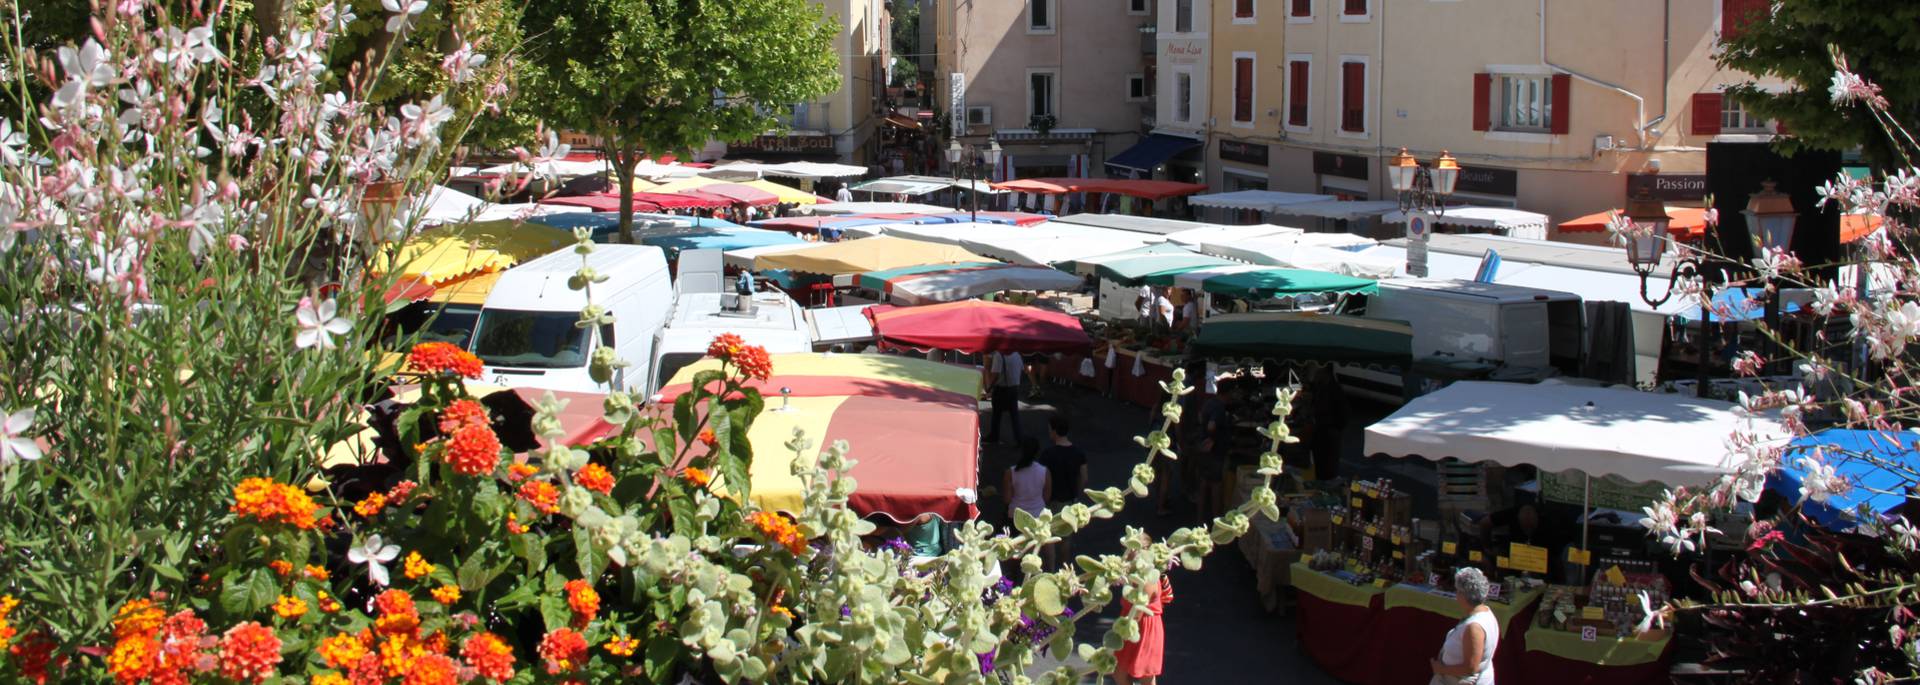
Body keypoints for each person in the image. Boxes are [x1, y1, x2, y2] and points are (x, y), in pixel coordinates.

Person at [1431, 567, 1500, 685]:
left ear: (1463, 595)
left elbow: (1470, 668)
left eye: (1457, 590)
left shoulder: (1474, 627)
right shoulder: (1486, 612)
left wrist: (1440, 669)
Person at [1038, 414, 1088, 569]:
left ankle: (1051, 569)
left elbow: (1043, 479)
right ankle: (1065, 568)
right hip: (1069, 500)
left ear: (1054, 431)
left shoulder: (1047, 454)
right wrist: (1076, 494)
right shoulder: (1079, 453)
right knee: (1066, 537)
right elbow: (1084, 477)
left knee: (1049, 535)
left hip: (1051, 500)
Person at [1114, 574, 1174, 685]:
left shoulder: (1148, 581)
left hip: (1145, 629)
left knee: (1145, 676)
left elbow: (1136, 616)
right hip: (1131, 624)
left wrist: (1115, 638)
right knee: (1119, 673)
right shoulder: (1135, 575)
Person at [1002, 438, 1051, 526]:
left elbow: (1007, 500)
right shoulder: (1045, 471)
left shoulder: (1010, 472)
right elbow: (1046, 497)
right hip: (1038, 515)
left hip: (1016, 517)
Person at [984, 349, 1025, 444]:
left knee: (996, 414)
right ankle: (1019, 439)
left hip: (1002, 389)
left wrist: (989, 387)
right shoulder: (1016, 354)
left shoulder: (999, 355)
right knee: (1014, 415)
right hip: (1014, 388)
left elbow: (996, 374)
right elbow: (1022, 369)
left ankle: (994, 436)